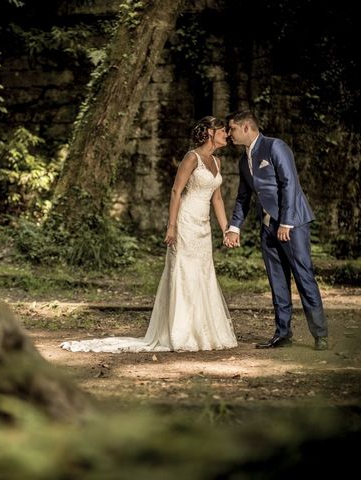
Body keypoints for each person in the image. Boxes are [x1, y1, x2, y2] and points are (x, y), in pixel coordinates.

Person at [61, 116, 238, 353]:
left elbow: (217, 198)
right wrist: (171, 226)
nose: (226, 133)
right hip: (185, 221)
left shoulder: (217, 161)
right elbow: (176, 191)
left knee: (203, 272)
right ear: (208, 132)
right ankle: (181, 331)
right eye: (222, 130)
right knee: (183, 272)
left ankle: (203, 331)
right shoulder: (191, 157)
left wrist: (226, 229)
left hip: (203, 226)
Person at [223, 110, 329, 351]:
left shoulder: (275, 146)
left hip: (293, 224)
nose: (229, 134)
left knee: (304, 277)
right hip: (268, 227)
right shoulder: (243, 160)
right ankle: (283, 333)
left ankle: (320, 334)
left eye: (232, 129)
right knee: (277, 281)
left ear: (246, 127)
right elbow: (243, 197)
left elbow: (289, 183)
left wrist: (287, 222)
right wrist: (234, 227)